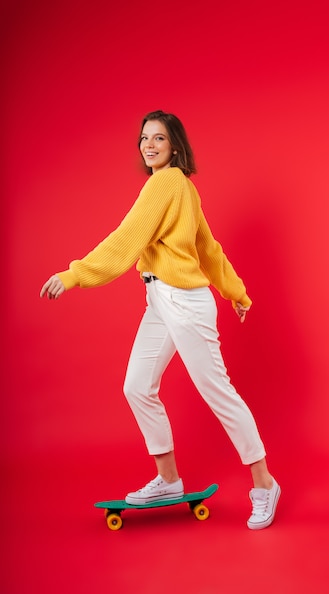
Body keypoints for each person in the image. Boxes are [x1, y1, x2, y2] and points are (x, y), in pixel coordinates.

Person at [40, 110, 280, 529]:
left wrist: (74, 274)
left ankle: (264, 484)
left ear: (175, 147)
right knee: (137, 386)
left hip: (184, 301)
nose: (149, 145)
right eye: (144, 138)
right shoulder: (183, 189)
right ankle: (168, 479)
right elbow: (208, 248)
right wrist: (236, 292)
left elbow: (125, 239)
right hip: (160, 299)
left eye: (159, 139)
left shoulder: (165, 183)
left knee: (216, 391)